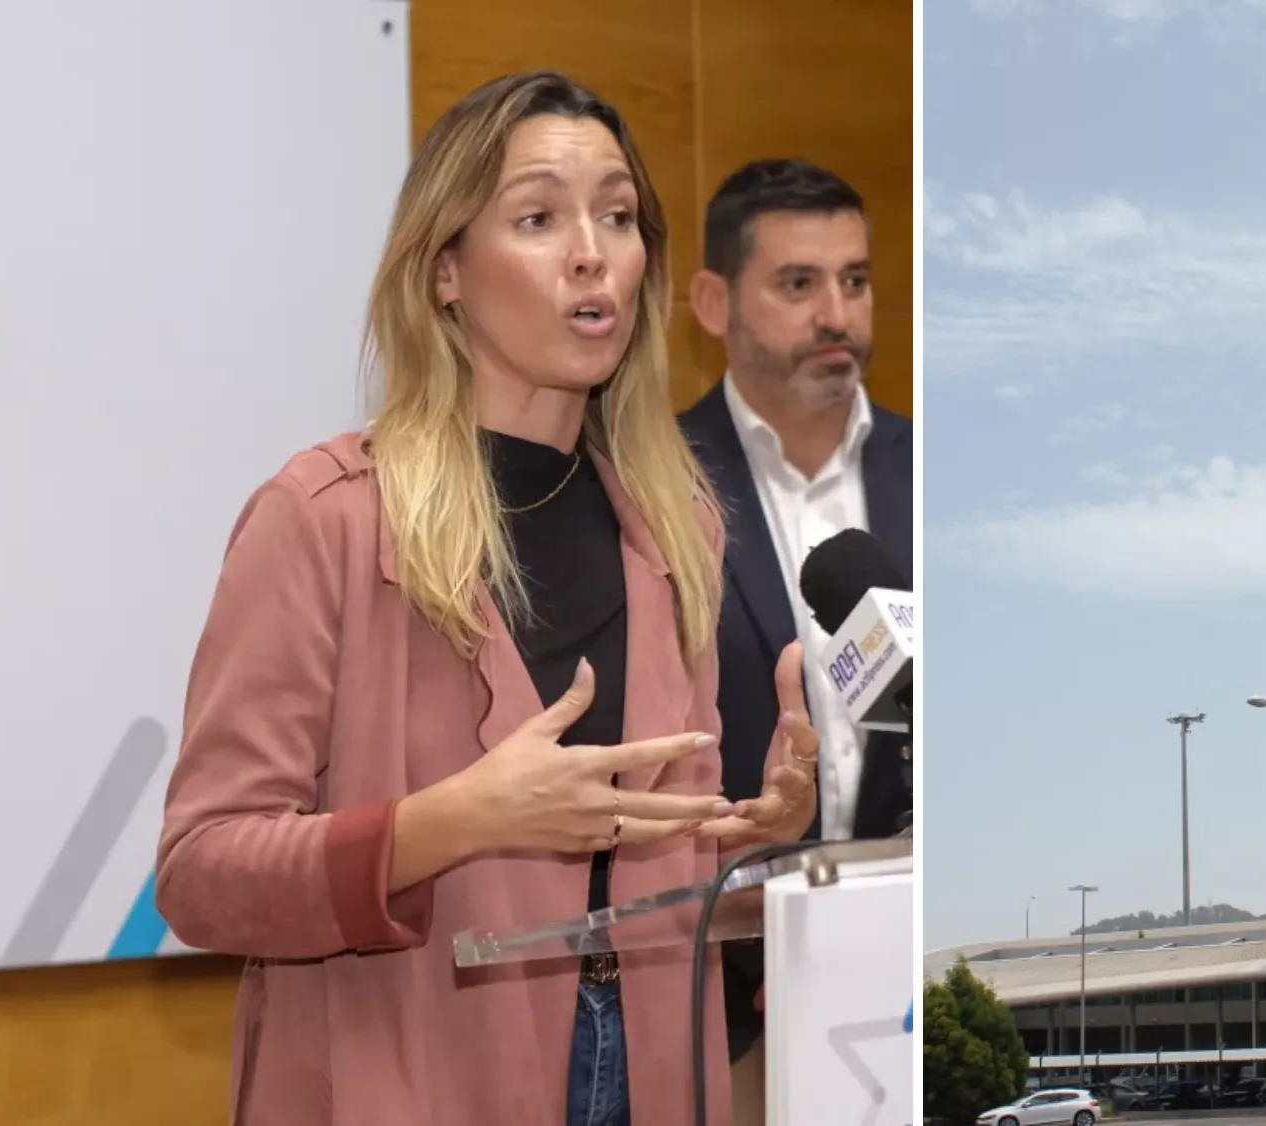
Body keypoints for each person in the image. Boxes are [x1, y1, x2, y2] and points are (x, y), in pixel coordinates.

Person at [152, 72, 818, 1126]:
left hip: (651, 1070)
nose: (592, 252)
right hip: (404, 1079)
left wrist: (752, 834)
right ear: (447, 271)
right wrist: (445, 822)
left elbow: (612, 870)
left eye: (617, 215)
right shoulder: (324, 516)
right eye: (540, 217)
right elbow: (199, 874)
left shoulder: (677, 528)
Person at [678, 159, 914, 1126]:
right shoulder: (644, 485)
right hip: (731, 1017)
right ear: (712, 301)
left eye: (854, 281)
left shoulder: (938, 471)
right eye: (798, 283)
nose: (837, 314)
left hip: (907, 985)